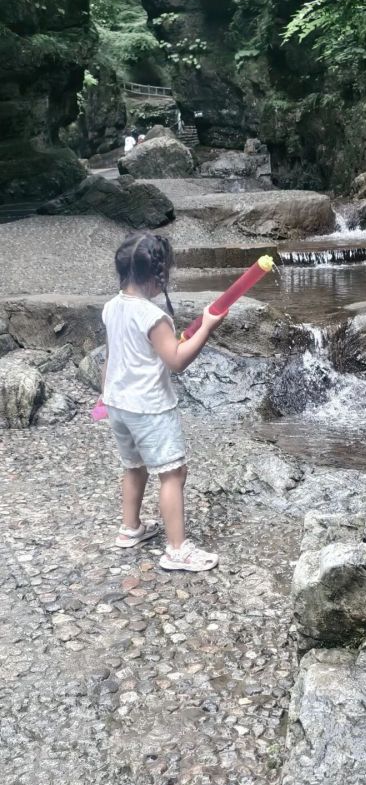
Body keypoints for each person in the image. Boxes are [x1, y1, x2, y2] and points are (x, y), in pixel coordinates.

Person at [101, 231, 225, 573]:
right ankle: (177, 550)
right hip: (149, 407)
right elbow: (176, 360)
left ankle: (130, 528)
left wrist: (104, 395)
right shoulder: (153, 317)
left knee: (134, 465)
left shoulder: (111, 307)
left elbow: (111, 356)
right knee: (173, 473)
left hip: (118, 404)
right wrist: (207, 327)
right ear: (158, 276)